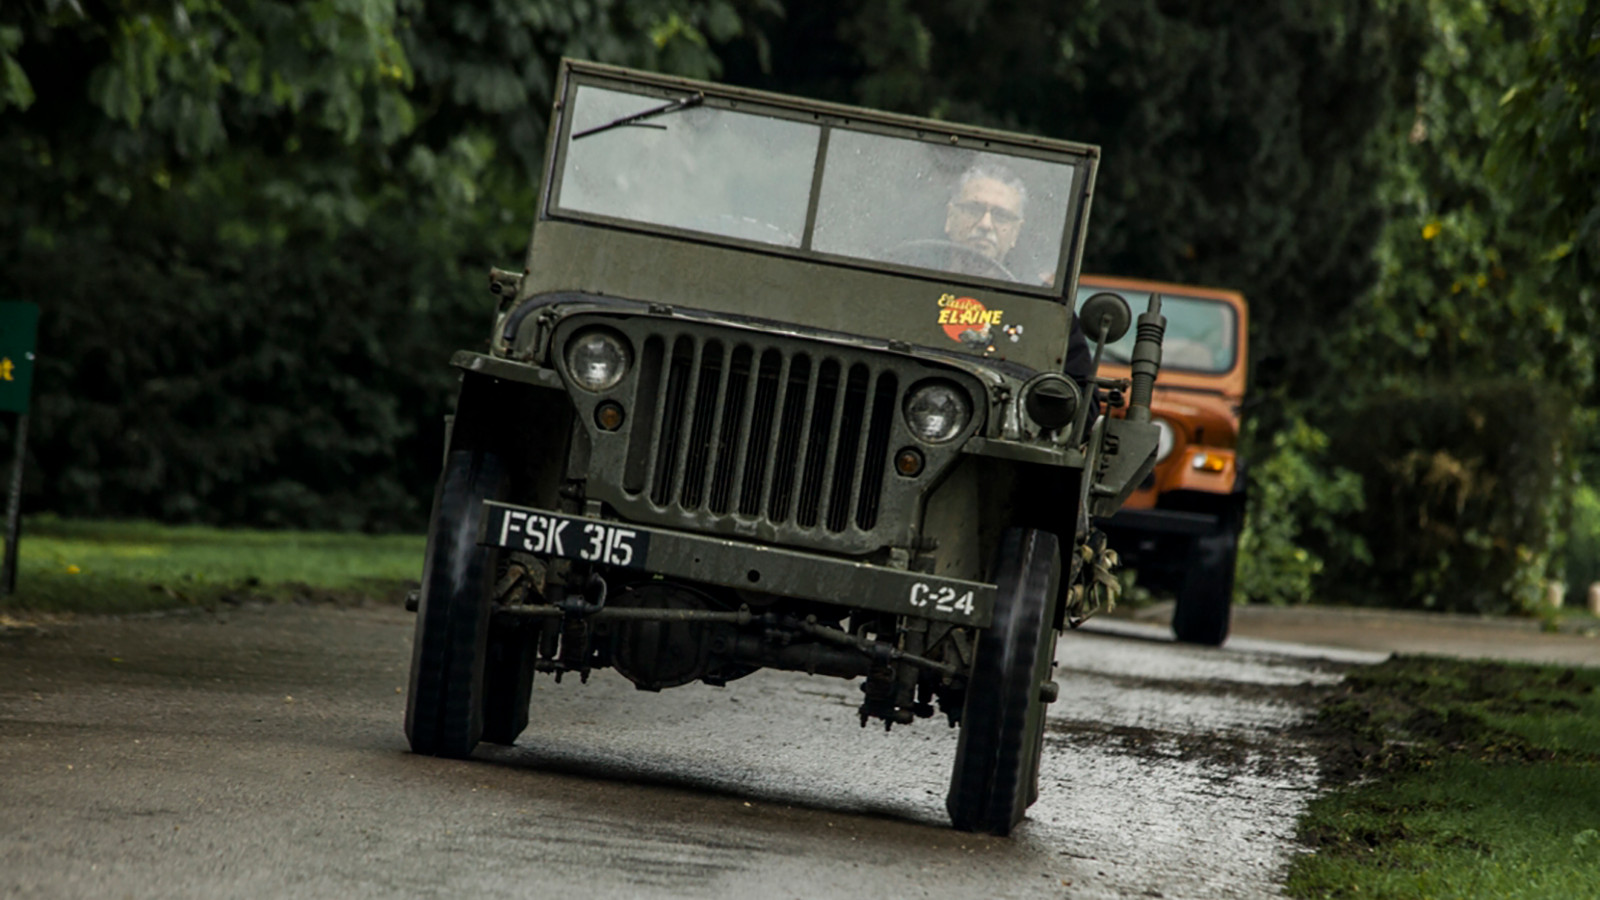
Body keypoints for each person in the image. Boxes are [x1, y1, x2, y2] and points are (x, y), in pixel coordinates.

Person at [943, 163, 1028, 271]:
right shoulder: (918, 269)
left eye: (1001, 216)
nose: (985, 224)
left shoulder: (1032, 286)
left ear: (1015, 232)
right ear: (951, 217)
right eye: (974, 210)